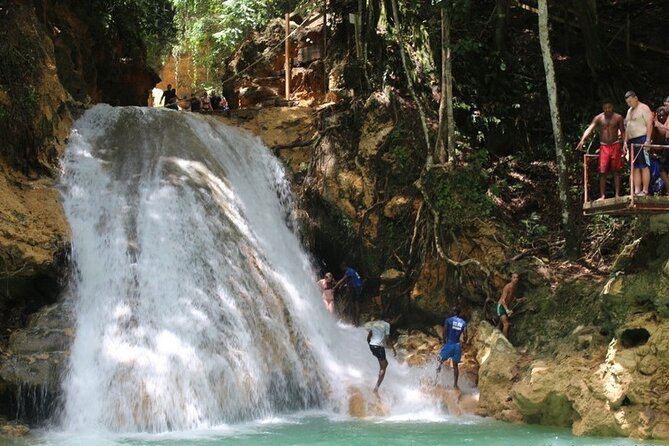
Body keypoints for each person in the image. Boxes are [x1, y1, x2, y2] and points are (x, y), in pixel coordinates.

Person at [577, 99, 626, 200]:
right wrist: (582, 140)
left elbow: (623, 131)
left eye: (609, 107)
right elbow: (590, 128)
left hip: (615, 145)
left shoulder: (618, 117)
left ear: (612, 107)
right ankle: (602, 195)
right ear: (603, 108)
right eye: (605, 108)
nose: (607, 110)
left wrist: (625, 143)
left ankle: (617, 194)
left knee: (616, 170)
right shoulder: (599, 118)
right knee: (602, 171)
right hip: (604, 146)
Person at [623, 91, 653, 196]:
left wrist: (648, 140)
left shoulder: (644, 108)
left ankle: (645, 190)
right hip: (631, 141)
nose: (629, 104)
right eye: (627, 102)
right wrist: (625, 142)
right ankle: (636, 190)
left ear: (635, 98)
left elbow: (650, 124)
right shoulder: (629, 111)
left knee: (644, 165)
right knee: (634, 166)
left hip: (642, 139)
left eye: (630, 101)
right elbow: (627, 127)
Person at [436, 306, 468, 389]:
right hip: (457, 346)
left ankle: (436, 380)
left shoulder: (449, 320)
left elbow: (444, 332)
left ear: (453, 312)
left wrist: (444, 341)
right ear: (459, 312)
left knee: (439, 361)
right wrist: (464, 342)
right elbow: (465, 335)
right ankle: (455, 385)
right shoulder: (463, 323)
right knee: (455, 366)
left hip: (449, 344)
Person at [367, 315, 395, 396]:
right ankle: (376, 389)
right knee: (383, 367)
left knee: (385, 363)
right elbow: (387, 338)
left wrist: (369, 343)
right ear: (388, 319)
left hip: (372, 346)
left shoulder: (376, 323)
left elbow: (369, 335)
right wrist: (393, 348)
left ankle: (377, 382)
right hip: (379, 347)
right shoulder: (387, 324)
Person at [496, 272, 522, 340]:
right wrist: (507, 310)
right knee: (506, 324)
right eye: (514, 277)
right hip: (501, 307)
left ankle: (498, 337)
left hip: (506, 306)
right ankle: (505, 342)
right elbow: (503, 300)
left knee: (501, 324)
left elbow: (511, 296)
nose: (516, 279)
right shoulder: (507, 287)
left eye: (517, 277)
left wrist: (517, 300)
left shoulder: (515, 286)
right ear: (511, 278)